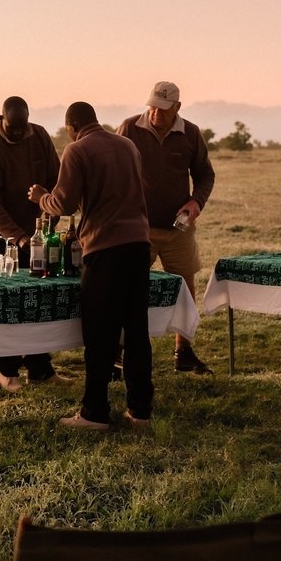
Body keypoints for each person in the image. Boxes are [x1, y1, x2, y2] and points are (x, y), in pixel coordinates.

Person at [28, 101, 152, 430]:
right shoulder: (127, 145)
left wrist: (41, 197)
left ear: (71, 126)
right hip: (139, 244)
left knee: (100, 333)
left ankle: (94, 412)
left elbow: (64, 203)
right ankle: (140, 412)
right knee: (137, 331)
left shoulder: (76, 150)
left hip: (105, 248)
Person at [116, 81, 216, 374]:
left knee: (185, 288)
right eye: (152, 107)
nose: (156, 113)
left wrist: (196, 203)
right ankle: (121, 353)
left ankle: (183, 352)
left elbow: (205, 175)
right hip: (138, 228)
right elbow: (116, 170)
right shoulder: (129, 128)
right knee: (129, 288)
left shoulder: (191, 134)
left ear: (177, 107)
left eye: (163, 108)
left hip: (178, 230)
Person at [0, 95, 67, 392]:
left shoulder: (39, 135)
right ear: (1, 119)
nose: (17, 134)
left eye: (22, 128)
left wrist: (48, 220)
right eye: (12, 128)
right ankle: (7, 371)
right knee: (5, 304)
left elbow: (56, 179)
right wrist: (17, 237)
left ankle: (40, 368)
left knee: (37, 300)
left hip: (38, 232)